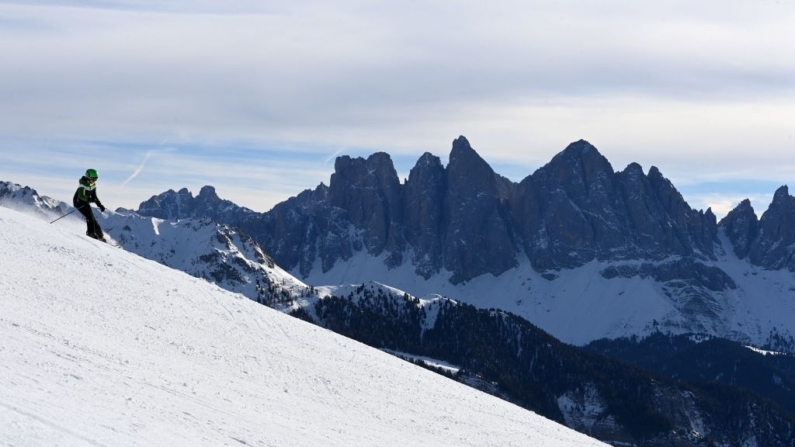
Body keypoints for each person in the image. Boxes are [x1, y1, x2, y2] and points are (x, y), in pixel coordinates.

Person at [73, 168, 107, 241]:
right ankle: (90, 233)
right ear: (88, 177)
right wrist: (89, 199)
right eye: (93, 179)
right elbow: (81, 196)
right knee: (89, 217)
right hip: (78, 202)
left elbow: (94, 197)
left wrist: (100, 205)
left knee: (93, 218)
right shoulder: (83, 184)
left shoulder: (93, 185)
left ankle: (100, 236)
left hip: (85, 202)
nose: (95, 180)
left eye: (96, 179)